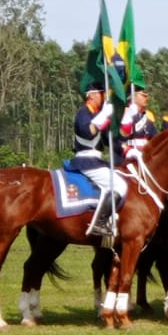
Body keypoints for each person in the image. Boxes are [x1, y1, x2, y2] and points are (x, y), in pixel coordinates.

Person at [73, 84, 123, 242]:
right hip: (86, 160)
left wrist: (127, 150)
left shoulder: (96, 115)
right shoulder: (83, 112)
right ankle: (99, 223)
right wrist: (103, 115)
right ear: (92, 95)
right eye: (101, 93)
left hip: (97, 159)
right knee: (119, 186)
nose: (104, 97)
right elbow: (87, 132)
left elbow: (112, 143)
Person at [119, 86, 158, 157]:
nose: (146, 98)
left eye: (147, 96)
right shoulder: (124, 113)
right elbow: (120, 139)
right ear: (134, 96)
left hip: (146, 153)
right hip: (129, 154)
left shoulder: (148, 115)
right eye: (143, 95)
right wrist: (127, 150)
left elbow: (155, 138)